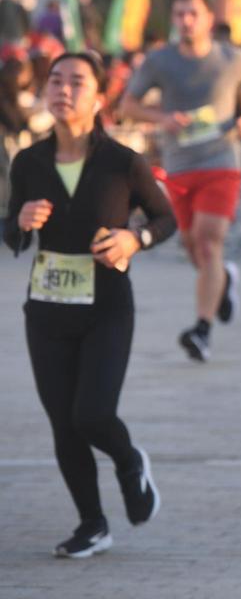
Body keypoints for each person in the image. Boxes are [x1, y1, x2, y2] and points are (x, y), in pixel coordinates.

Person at [4, 51, 177, 557]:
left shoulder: (122, 161)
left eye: (77, 82)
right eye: (55, 80)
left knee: (93, 414)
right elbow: (11, 232)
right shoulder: (28, 162)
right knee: (64, 423)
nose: (63, 89)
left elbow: (166, 219)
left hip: (107, 308)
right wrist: (19, 222)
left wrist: (134, 239)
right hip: (46, 311)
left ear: (99, 97)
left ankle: (129, 461)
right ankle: (92, 524)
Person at [121, 0, 241, 363]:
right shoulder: (160, 61)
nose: (186, 21)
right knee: (192, 246)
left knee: (207, 241)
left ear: (208, 18)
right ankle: (224, 280)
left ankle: (202, 330)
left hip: (222, 162)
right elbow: (128, 105)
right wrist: (162, 118)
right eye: (179, 14)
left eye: (193, 14)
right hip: (179, 166)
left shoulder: (233, 58)